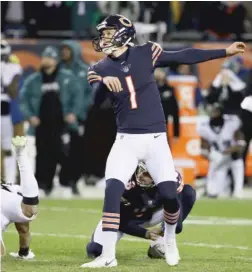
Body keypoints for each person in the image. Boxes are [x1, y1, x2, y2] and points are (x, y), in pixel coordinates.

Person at [82, 14, 245, 268]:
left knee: (170, 194)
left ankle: (169, 240)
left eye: (108, 32)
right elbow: (94, 97)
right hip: (125, 139)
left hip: (156, 139)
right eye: (103, 33)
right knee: (112, 191)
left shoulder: (147, 52)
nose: (103, 38)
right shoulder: (99, 68)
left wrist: (224, 51)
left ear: (124, 34)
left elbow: (185, 55)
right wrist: (104, 81)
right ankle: (108, 256)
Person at [86, 162, 196, 259]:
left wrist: (168, 227)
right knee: (95, 250)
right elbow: (121, 221)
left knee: (188, 192)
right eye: (141, 171)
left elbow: (179, 202)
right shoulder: (127, 183)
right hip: (128, 218)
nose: (141, 176)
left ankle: (160, 242)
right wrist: (145, 233)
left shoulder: (170, 179)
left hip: (153, 214)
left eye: (147, 174)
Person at [20, 46, 83, 198]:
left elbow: (78, 94)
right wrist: (30, 116)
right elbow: (24, 99)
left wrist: (74, 113)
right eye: (44, 57)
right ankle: (43, 185)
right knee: (42, 155)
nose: (46, 60)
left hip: (62, 125)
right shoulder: (34, 79)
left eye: (49, 57)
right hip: (42, 125)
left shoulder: (66, 77)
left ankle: (66, 184)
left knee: (65, 154)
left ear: (55, 61)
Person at [60, 41, 91, 194]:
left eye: (68, 50)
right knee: (58, 150)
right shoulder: (57, 70)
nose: (64, 53)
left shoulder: (85, 71)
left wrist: (76, 113)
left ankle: (75, 180)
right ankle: (59, 181)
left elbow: (89, 95)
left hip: (79, 118)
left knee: (77, 150)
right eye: (63, 50)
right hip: (58, 118)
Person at [1, 136, 39, 258]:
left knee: (27, 214)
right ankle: (21, 152)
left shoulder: (11, 188)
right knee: (27, 217)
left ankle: (24, 253)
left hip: (13, 200)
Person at [197, 103, 246, 198]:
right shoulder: (205, 127)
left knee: (238, 165)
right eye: (212, 111)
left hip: (233, 156)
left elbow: (241, 143)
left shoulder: (232, 123)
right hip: (219, 158)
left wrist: (229, 151)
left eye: (216, 111)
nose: (213, 114)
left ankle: (237, 191)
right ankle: (212, 190)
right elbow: (203, 148)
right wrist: (210, 155)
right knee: (214, 191)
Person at [1, 39, 22, 184]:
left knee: (8, 147)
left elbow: (13, 91)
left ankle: (10, 182)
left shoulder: (13, 68)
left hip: (4, 108)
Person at [154, 68, 179, 145]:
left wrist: (176, 134)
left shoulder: (169, 89)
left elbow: (175, 112)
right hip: (150, 127)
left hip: (163, 128)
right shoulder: (150, 88)